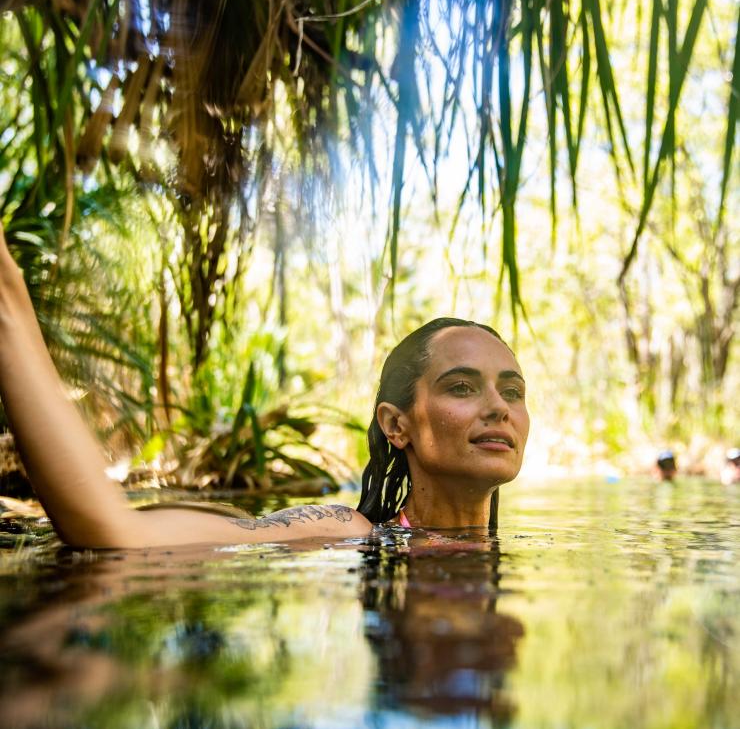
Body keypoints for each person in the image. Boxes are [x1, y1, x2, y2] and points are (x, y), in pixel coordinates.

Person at [0, 224, 529, 548]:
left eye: (512, 391)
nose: (498, 408)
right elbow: (115, 532)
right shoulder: (346, 531)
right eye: (461, 387)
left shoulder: (514, 552)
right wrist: (9, 306)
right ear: (397, 424)